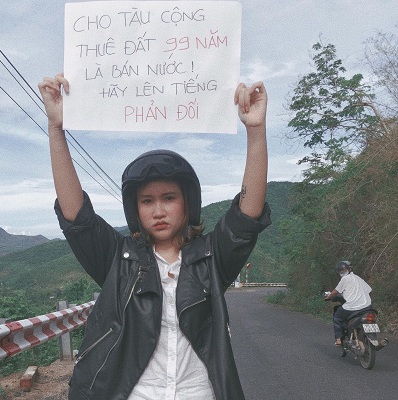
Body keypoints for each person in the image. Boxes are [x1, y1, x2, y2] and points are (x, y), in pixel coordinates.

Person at [38, 73, 271, 400]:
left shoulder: (211, 258)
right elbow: (77, 218)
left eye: (169, 198)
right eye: (147, 201)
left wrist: (255, 131)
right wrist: (55, 129)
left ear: (187, 203)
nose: (158, 210)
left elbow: (247, 216)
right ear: (135, 210)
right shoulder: (118, 260)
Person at [324, 261, 372, 346]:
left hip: (352, 306)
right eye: (340, 270)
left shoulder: (345, 279)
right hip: (367, 306)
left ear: (349, 269)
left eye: (343, 270)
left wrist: (328, 297)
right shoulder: (358, 278)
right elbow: (369, 290)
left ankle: (338, 340)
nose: (342, 272)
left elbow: (335, 292)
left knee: (337, 317)